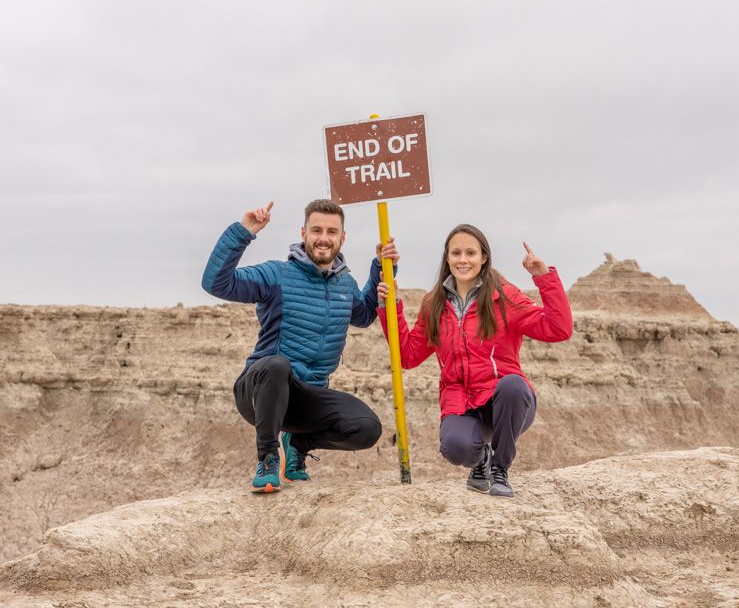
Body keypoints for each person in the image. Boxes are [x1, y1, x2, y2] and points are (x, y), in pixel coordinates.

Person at [202, 199, 397, 493]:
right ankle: (267, 458)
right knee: (279, 364)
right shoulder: (276, 275)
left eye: (332, 232)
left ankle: (297, 443)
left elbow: (364, 314)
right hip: (258, 392)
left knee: (368, 428)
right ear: (303, 232)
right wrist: (243, 232)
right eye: (316, 230)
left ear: (342, 238)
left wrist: (382, 268)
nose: (323, 238)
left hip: (306, 398)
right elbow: (216, 283)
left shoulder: (345, 285)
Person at [377, 224, 572, 497]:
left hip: (507, 403)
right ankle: (480, 460)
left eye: (471, 252)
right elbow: (407, 356)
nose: (463, 260)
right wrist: (391, 308)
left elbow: (558, 329)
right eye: (456, 253)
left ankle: (500, 470)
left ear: (484, 257)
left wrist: (543, 277)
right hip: (461, 402)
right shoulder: (433, 303)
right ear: (447, 258)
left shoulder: (505, 296)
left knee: (513, 385)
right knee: (456, 447)